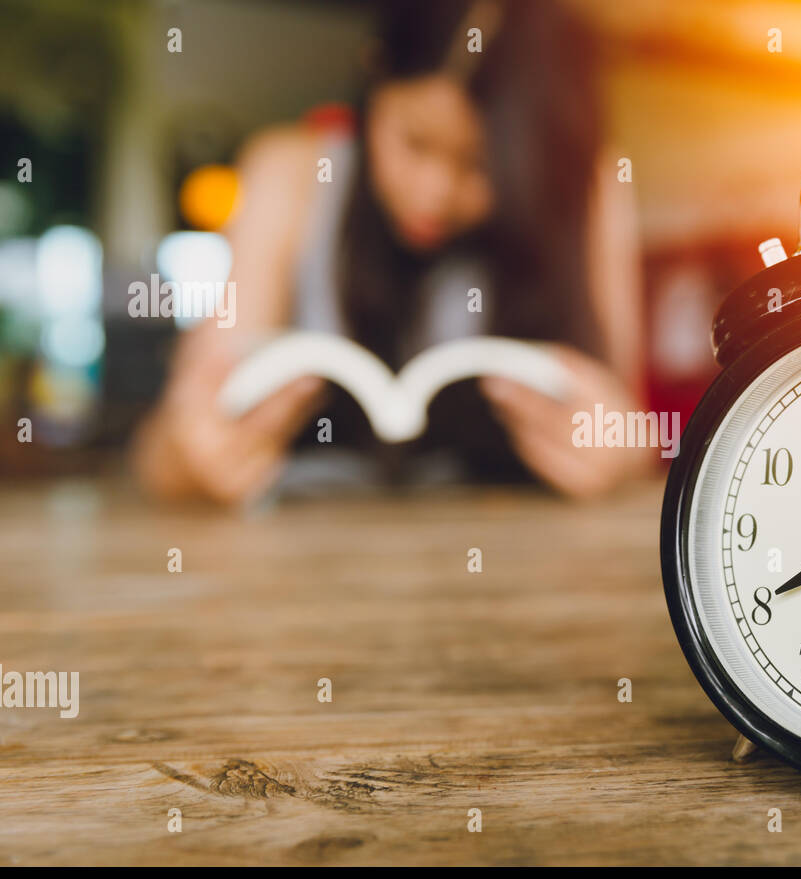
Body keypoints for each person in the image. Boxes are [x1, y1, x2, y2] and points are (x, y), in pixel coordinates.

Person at [131, 0, 652, 504]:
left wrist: (613, 449)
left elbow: (639, 440)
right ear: (373, 79)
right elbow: (159, 452)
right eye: (414, 142)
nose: (433, 195)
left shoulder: (587, 192)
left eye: (479, 166)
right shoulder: (288, 175)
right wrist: (188, 454)